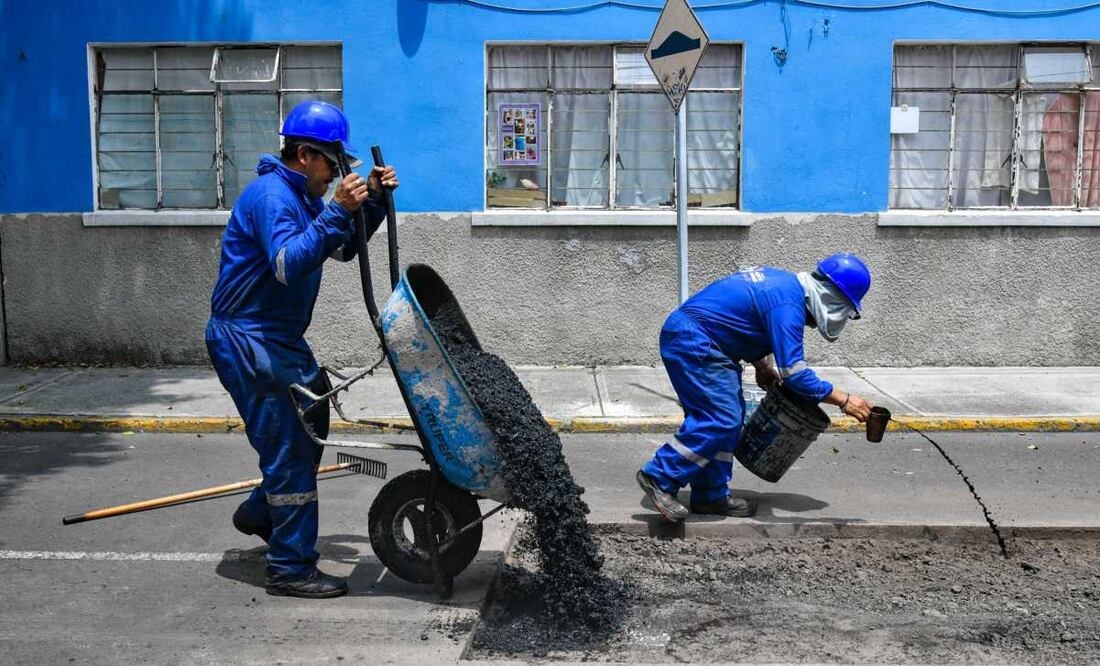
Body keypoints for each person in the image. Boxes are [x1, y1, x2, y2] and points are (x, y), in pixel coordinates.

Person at [206, 100, 398, 598]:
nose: (335, 175)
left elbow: (342, 246)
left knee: (312, 420)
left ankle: (261, 513)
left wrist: (371, 202)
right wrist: (338, 209)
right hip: (249, 338)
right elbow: (289, 263)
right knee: (291, 448)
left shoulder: (302, 195)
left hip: (278, 338)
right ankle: (290, 567)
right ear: (306, 155)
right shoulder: (273, 196)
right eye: (332, 164)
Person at [636, 253, 875, 523]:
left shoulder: (785, 287)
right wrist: (844, 400)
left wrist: (762, 366)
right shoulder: (788, 305)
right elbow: (796, 375)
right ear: (834, 299)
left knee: (729, 420)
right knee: (720, 419)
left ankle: (710, 495)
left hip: (705, 341)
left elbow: (746, 320)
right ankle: (659, 476)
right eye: (846, 310)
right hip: (695, 341)